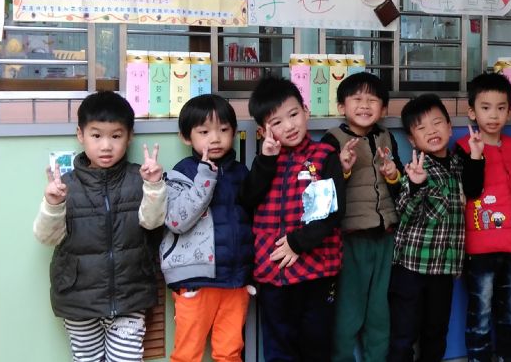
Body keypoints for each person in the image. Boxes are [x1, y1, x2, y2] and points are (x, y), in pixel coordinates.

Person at [34, 90, 167, 361]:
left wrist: (154, 186)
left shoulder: (138, 178)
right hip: (78, 300)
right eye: (96, 136)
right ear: (80, 135)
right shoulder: (65, 185)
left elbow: (153, 222)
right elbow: (46, 237)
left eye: (116, 136)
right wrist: (53, 204)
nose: (106, 146)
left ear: (129, 136)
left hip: (130, 297)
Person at [245, 77, 347, 362]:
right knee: (279, 345)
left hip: (316, 270)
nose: (289, 126)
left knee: (316, 343)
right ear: (263, 131)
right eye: (276, 122)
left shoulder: (324, 156)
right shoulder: (265, 160)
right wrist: (265, 161)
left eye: (293, 114)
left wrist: (297, 243)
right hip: (273, 270)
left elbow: (332, 211)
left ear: (306, 111)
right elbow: (248, 199)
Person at [160, 94, 253, 362]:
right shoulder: (181, 173)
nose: (215, 138)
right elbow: (177, 221)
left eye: (223, 130)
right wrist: (205, 176)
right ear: (186, 137)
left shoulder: (241, 173)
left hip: (235, 279)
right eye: (204, 132)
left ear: (233, 132)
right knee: (187, 354)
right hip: (195, 280)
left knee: (230, 352)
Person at [321, 72, 403, 362]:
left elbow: (399, 185)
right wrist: (342, 169)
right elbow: (323, 190)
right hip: (350, 238)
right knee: (348, 310)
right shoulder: (333, 139)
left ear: (384, 109)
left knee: (379, 311)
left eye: (372, 100)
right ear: (341, 106)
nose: (365, 105)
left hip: (385, 235)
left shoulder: (387, 137)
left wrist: (393, 175)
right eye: (357, 99)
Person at [456, 72, 511, 362]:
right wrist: (476, 156)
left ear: (510, 111)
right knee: (481, 312)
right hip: (480, 248)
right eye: (485, 107)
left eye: (501, 108)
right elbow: (472, 190)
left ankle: (507, 357)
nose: (493, 115)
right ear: (472, 111)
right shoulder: (464, 147)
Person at [387, 94, 466, 362]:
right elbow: (404, 214)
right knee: (403, 334)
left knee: (436, 333)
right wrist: (416, 185)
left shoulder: (458, 165)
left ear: (450, 127)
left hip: (443, 269)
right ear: (412, 140)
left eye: (437, 123)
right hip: (411, 267)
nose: (431, 131)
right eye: (421, 128)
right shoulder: (416, 170)